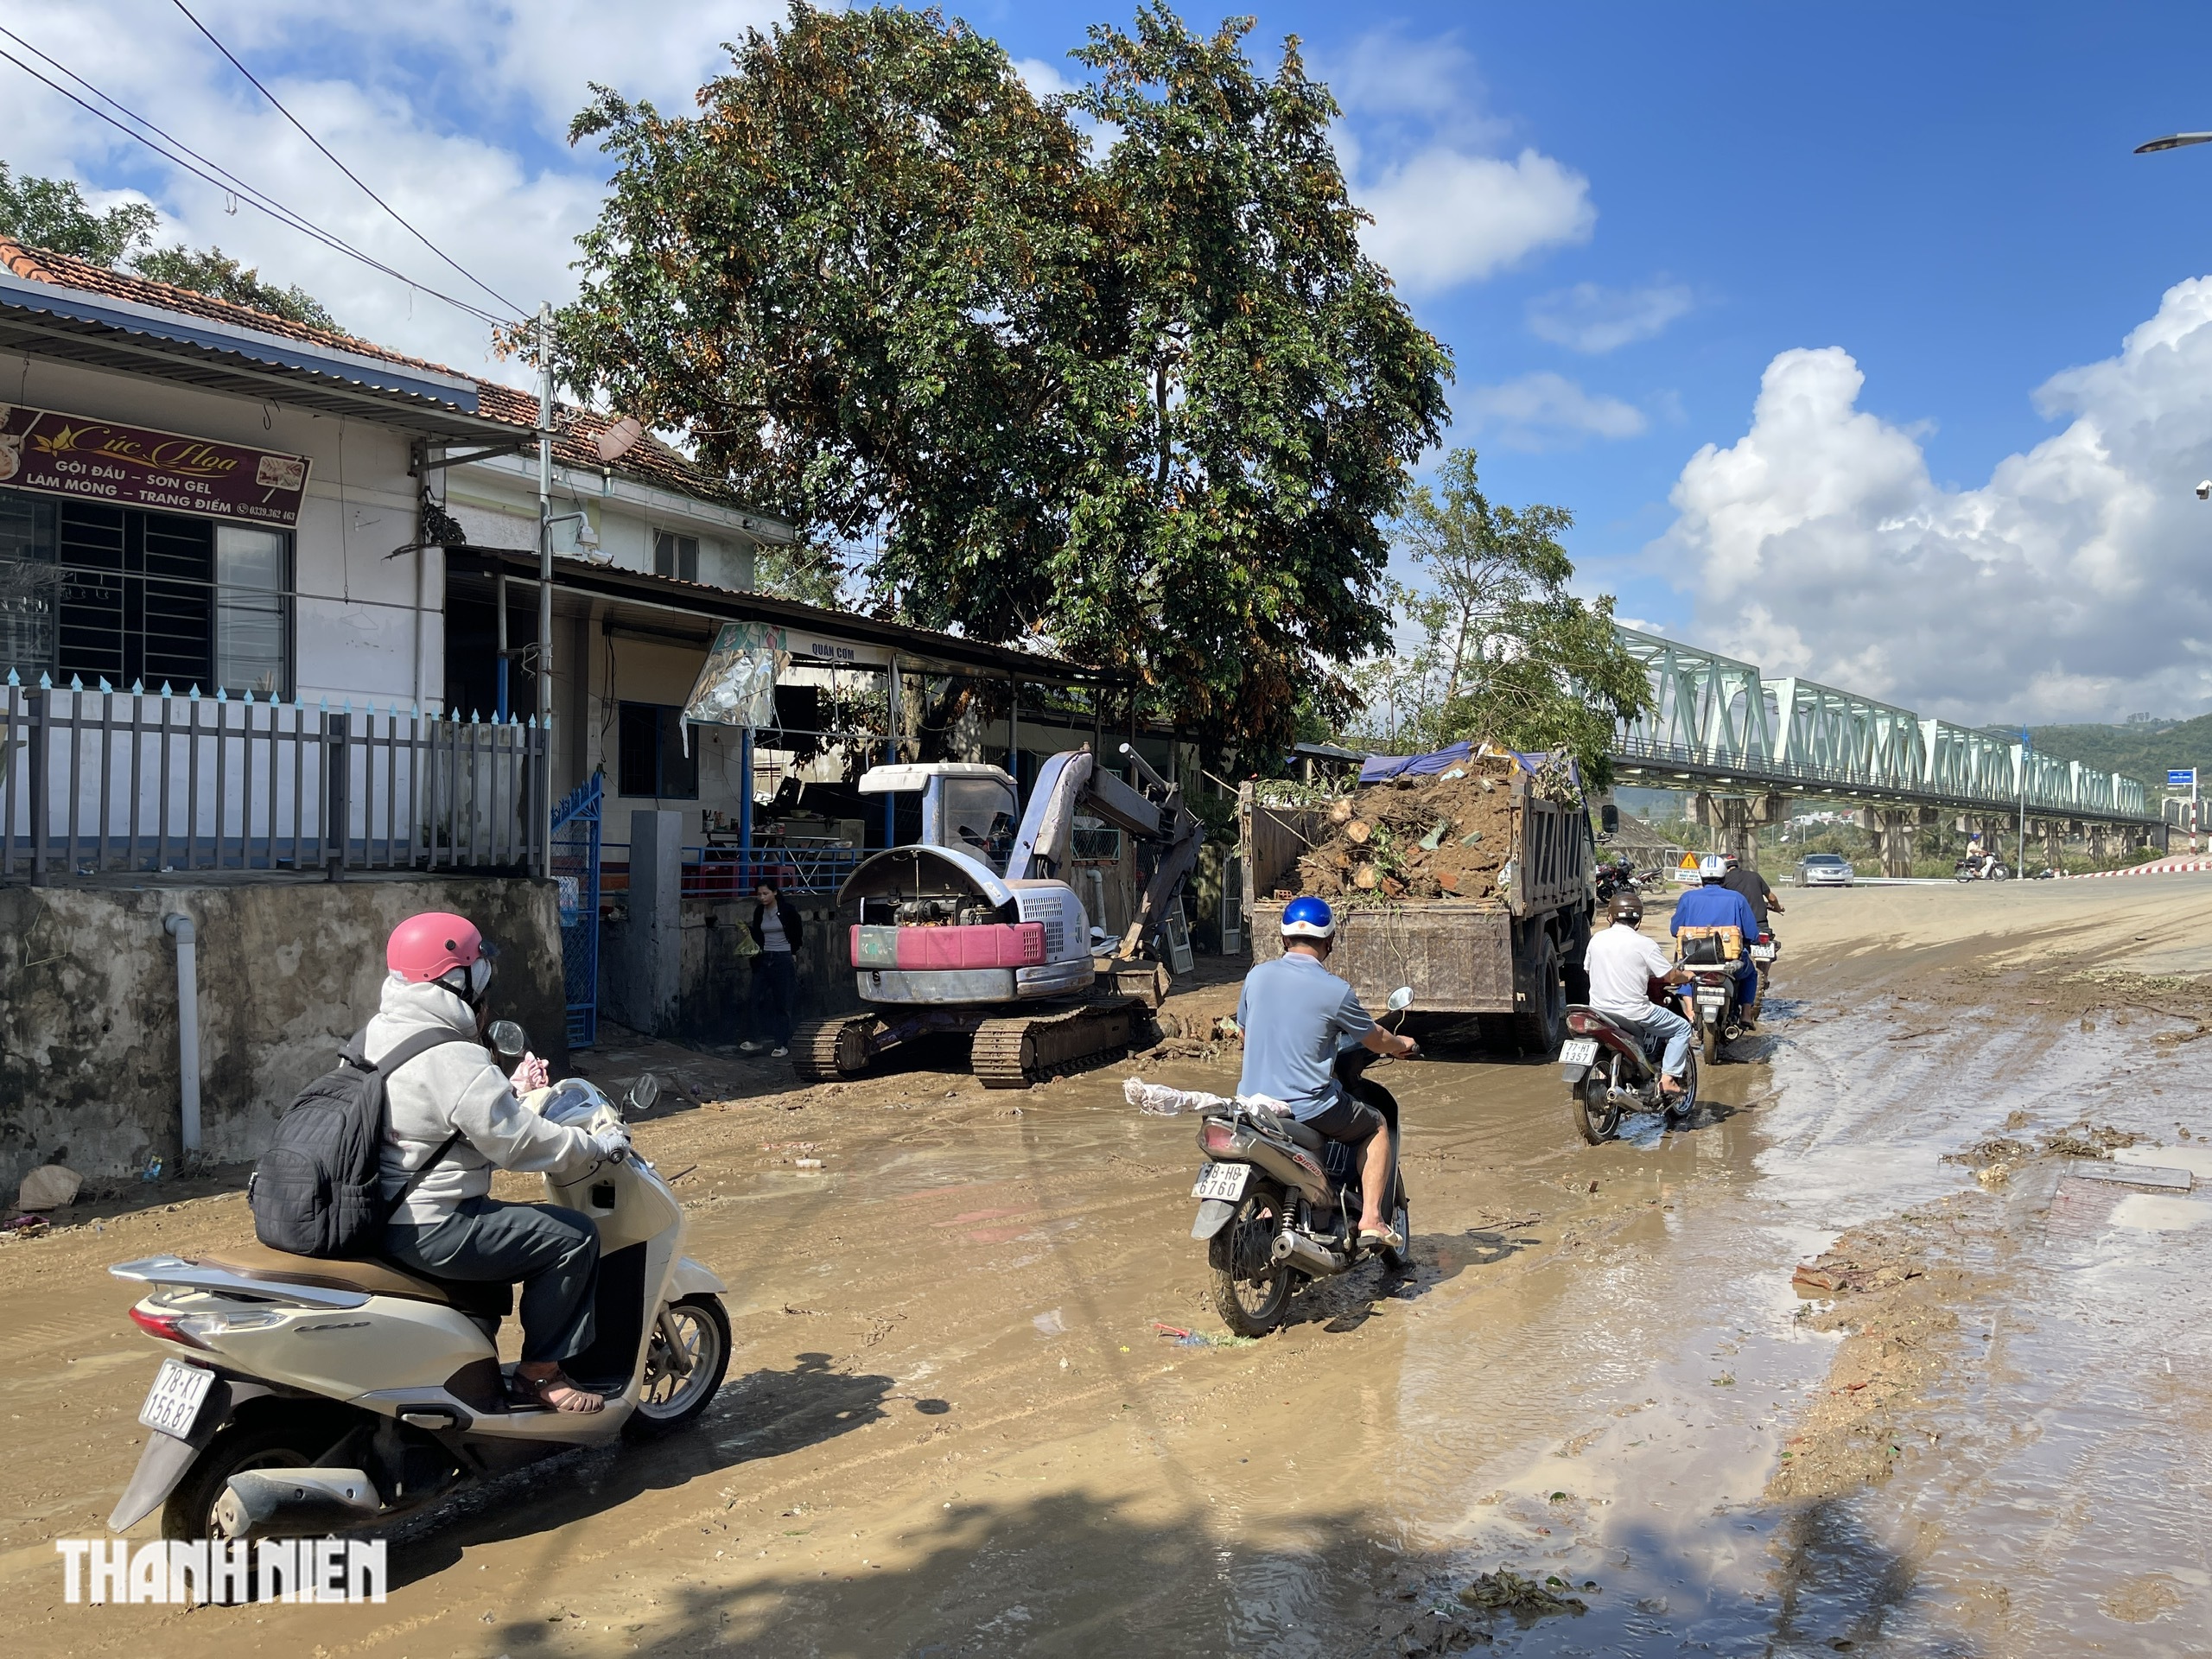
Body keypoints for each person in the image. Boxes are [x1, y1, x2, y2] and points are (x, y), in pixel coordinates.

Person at [372, 912, 630, 1414]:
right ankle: (539, 1376)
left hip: (380, 1211)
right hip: (430, 1222)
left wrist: (508, 1092)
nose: (486, 979)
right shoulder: (450, 1052)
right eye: (478, 967)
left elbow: (433, 1117)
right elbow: (517, 1144)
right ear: (455, 978)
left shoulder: (383, 1032)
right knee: (572, 1237)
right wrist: (592, 1147)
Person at [1236, 896, 1417, 1251]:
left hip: (1251, 1102)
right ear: (1330, 942)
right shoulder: (1336, 991)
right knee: (1377, 1124)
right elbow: (1375, 1039)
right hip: (1305, 1106)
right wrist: (1401, 1043)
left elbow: (1244, 1032)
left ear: (1284, 939)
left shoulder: (1256, 976)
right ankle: (1371, 1220)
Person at [1584, 889, 1695, 1096]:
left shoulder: (1596, 940)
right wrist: (1686, 975)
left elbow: (1589, 969)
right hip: (1634, 1012)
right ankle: (1668, 1078)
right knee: (1681, 1028)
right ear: (1639, 920)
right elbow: (1670, 976)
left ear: (1610, 916)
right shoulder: (1645, 944)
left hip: (1598, 1010)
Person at [1670, 854, 1763, 1025]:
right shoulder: (1736, 898)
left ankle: (1689, 1010)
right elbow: (1752, 934)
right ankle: (1746, 1014)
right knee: (1750, 974)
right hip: (1728, 962)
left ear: (1701, 876)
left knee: (1684, 970)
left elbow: (1675, 930)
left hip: (1695, 960)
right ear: (1723, 875)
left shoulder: (1688, 898)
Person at [741, 882, 806, 1058]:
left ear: (775, 893)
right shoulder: (759, 912)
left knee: (782, 1003)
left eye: (766, 893)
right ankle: (754, 1039)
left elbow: (797, 932)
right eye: (759, 894)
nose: (762, 897)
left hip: (782, 958)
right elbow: (758, 935)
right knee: (755, 999)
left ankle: (781, 1043)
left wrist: (793, 952)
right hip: (764, 958)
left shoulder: (787, 910)